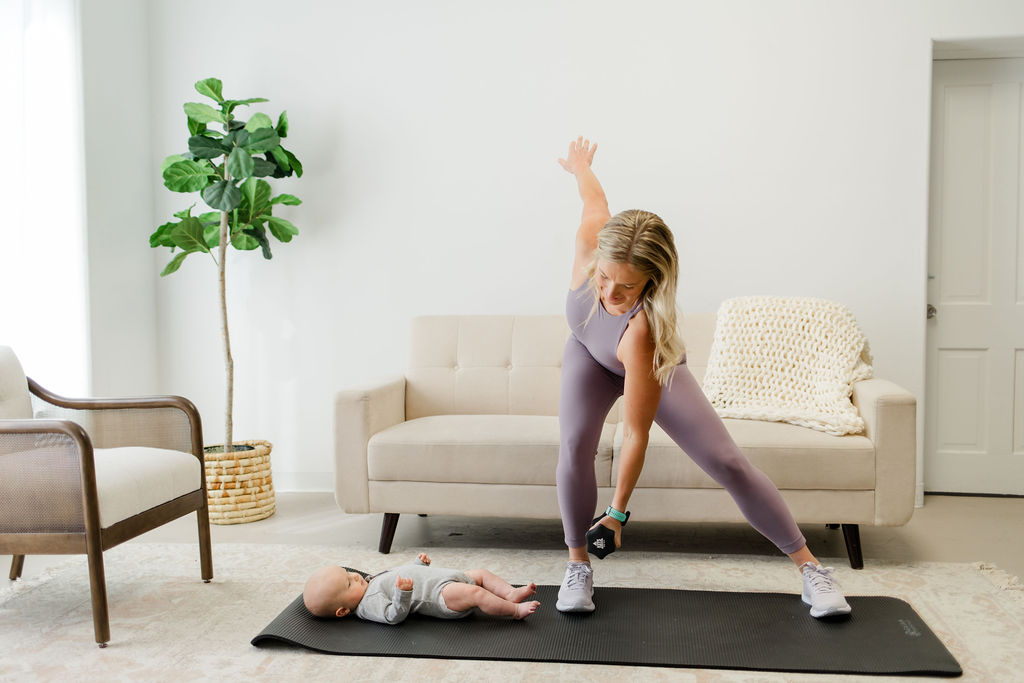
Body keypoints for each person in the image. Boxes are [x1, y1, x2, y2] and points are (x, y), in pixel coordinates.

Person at [554, 137, 851, 619]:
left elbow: (635, 432)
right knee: (572, 445)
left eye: (626, 286)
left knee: (728, 461)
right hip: (588, 354)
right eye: (604, 277)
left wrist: (617, 511)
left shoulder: (643, 333)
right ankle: (577, 566)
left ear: (651, 281)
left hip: (645, 366)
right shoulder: (592, 238)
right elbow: (594, 198)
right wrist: (581, 167)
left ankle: (811, 570)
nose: (609, 292)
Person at [303, 552, 540, 624]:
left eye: (349, 573)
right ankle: (513, 610)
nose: (355, 576)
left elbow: (405, 574)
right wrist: (403, 594)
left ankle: (509, 592)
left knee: (480, 575)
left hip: (443, 577)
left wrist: (418, 565)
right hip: (439, 596)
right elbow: (393, 616)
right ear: (343, 610)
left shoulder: (370, 582)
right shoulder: (368, 604)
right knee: (475, 593)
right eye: (348, 583)